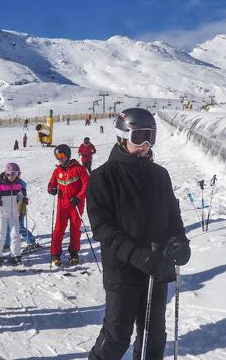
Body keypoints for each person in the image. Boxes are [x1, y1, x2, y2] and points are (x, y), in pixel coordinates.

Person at [86, 108, 191, 360]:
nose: (145, 145)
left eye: (151, 137)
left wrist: (180, 241)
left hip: (158, 268)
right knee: (116, 338)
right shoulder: (103, 177)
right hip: (123, 271)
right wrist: (140, 256)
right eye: (139, 137)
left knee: (153, 339)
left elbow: (173, 216)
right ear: (122, 137)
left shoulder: (160, 175)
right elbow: (104, 230)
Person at [47, 144, 89, 266]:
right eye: (57, 156)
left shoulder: (79, 169)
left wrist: (79, 197)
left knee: (75, 229)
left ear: (67, 155)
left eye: (61, 155)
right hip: (62, 205)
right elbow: (51, 184)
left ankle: (74, 253)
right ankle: (55, 254)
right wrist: (52, 189)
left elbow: (87, 184)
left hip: (75, 205)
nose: (59, 159)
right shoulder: (57, 170)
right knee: (59, 229)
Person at [0, 162, 25, 266]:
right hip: (1, 211)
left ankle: (15, 255)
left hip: (14, 212)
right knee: (0, 234)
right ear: (7, 173)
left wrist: (24, 199)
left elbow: (20, 195)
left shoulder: (18, 183)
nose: (13, 176)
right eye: (11, 174)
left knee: (15, 234)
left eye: (16, 174)